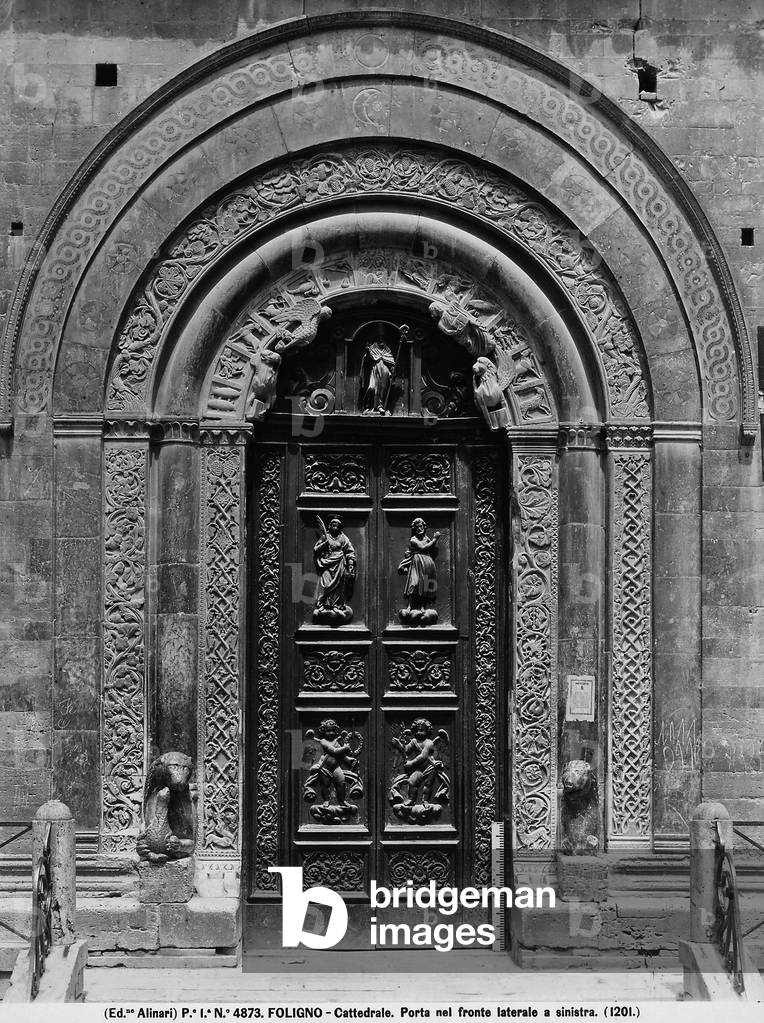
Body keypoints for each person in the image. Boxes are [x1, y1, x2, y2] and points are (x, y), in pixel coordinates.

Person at [313, 516, 356, 624]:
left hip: (339, 563)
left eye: (338, 525)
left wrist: (350, 563)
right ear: (330, 526)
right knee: (326, 584)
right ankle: (323, 605)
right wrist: (324, 544)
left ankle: (335, 606)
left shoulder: (343, 538)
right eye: (334, 525)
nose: (336, 527)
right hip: (327, 563)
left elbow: (350, 551)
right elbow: (316, 549)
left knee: (338, 586)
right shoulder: (325, 537)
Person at [398, 517, 440, 624]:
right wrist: (435, 539)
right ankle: (410, 606)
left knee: (425, 585)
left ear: (424, 527)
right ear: (414, 529)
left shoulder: (426, 538)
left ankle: (422, 607)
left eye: (421, 526)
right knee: (414, 583)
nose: (419, 529)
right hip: (417, 563)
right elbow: (423, 548)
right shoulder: (414, 540)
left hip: (427, 563)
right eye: (417, 527)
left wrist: (432, 541)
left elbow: (430, 548)